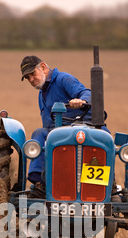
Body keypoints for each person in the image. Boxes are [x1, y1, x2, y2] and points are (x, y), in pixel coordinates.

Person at [20, 55, 93, 198]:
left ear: (43, 67)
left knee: (104, 137)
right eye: (27, 78)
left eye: (32, 74)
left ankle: (109, 184)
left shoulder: (64, 79)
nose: (31, 80)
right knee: (39, 134)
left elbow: (86, 93)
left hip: (82, 128)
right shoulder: (42, 92)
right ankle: (40, 183)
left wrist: (81, 100)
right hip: (57, 133)